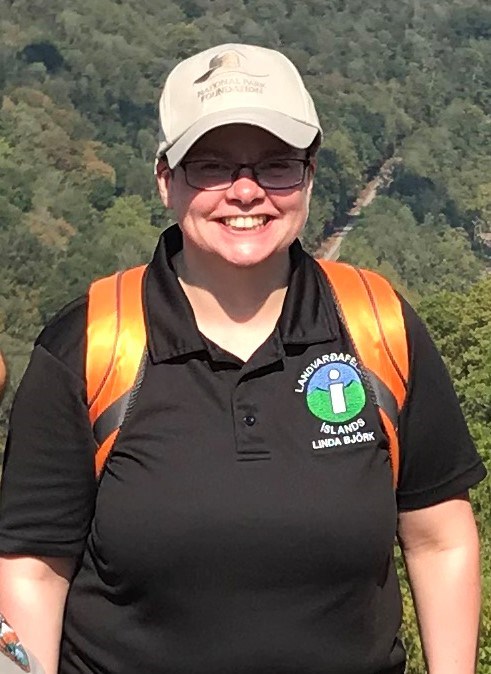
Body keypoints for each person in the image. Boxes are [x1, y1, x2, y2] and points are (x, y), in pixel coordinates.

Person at [0, 42, 486, 674]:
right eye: (211, 166)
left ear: (310, 173)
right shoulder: (90, 343)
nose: (247, 192)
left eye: (276, 165)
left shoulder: (378, 324)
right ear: (165, 178)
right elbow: (33, 567)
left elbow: (440, 538)